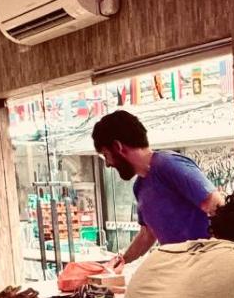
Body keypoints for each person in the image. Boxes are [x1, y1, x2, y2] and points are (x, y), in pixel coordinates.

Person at [91, 110, 225, 264]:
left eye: (106, 155)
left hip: (206, 266)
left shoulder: (168, 164)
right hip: (180, 268)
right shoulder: (140, 186)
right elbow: (147, 234)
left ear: (118, 147)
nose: (107, 164)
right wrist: (120, 262)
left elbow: (217, 205)